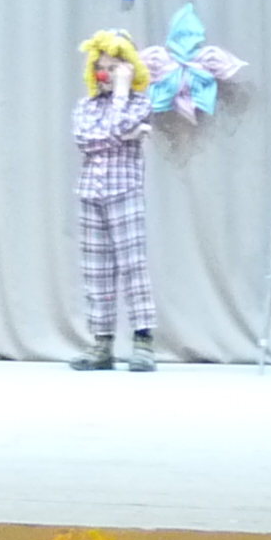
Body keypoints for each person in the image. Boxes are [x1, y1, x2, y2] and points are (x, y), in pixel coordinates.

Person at [70, 30, 158, 372]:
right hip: (90, 193)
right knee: (96, 270)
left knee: (134, 267)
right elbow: (85, 139)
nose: (105, 75)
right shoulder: (85, 107)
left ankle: (143, 342)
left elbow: (118, 125)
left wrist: (122, 92)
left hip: (125, 192)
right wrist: (125, 136)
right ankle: (102, 343)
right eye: (101, 68)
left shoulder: (141, 103)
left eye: (113, 68)